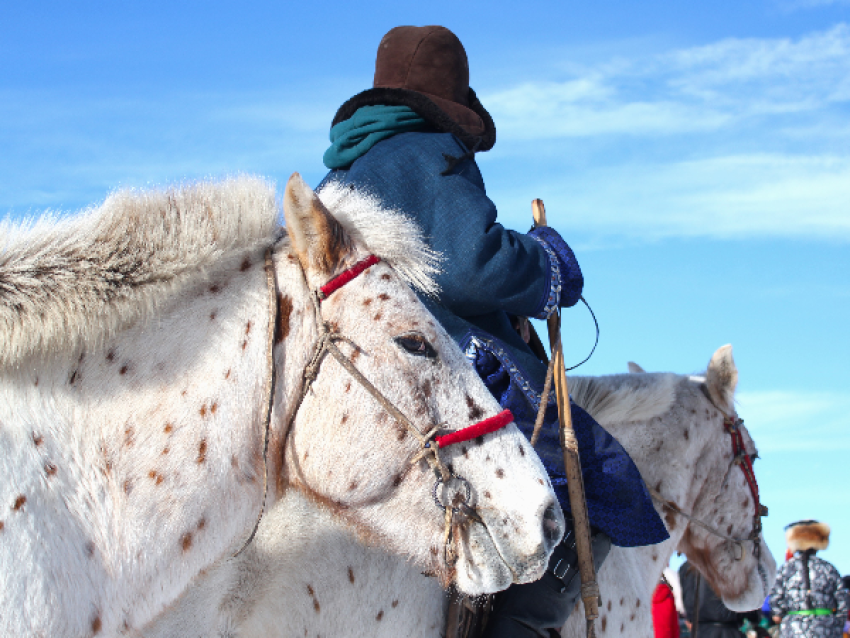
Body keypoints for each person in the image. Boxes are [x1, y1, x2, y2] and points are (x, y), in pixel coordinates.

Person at [318, 25, 668, 637]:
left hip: (366, 383)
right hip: (456, 371)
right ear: (447, 101)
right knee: (601, 480)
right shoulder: (425, 150)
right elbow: (471, 265)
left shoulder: (336, 179)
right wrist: (550, 262)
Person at [770, 520, 848, 638]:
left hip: (793, 629)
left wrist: (780, 616)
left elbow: (776, 598)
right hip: (826, 629)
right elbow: (842, 600)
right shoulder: (828, 568)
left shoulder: (786, 569)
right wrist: (836, 623)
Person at [679, 561, 760, 638]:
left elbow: (688, 603)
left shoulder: (688, 567)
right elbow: (748, 604)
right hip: (732, 630)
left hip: (703, 630)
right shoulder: (735, 565)